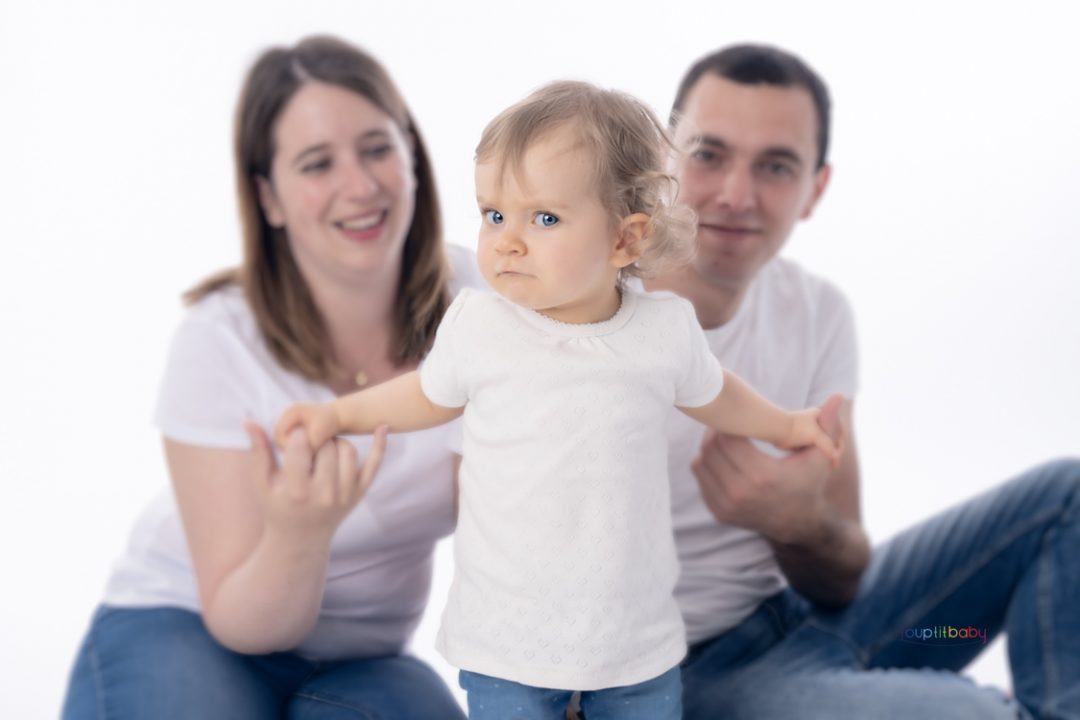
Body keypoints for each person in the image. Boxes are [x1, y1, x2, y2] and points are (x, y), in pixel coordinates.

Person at [275, 80, 840, 720]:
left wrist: (786, 424)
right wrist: (337, 415)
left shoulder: (663, 330)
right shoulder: (480, 326)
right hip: (508, 640)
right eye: (493, 215)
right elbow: (426, 396)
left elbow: (717, 395)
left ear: (626, 240)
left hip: (633, 643)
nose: (507, 241)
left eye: (543, 218)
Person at [649, 44, 1080, 719]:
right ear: (661, 159)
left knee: (1065, 501)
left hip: (830, 628)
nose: (736, 194)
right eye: (708, 154)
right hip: (690, 683)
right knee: (977, 716)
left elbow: (843, 573)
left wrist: (794, 524)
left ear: (814, 189)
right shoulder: (585, 317)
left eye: (776, 166)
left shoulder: (817, 313)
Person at [60, 35, 482, 719]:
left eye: (377, 148)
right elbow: (243, 623)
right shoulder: (219, 341)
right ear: (271, 197)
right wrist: (298, 535)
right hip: (189, 623)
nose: (361, 184)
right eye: (318, 163)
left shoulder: (490, 303)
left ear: (412, 155)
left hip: (364, 660)